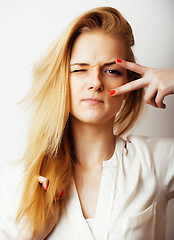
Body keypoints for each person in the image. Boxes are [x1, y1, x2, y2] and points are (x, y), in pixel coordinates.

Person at [0, 6, 174, 240]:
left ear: (128, 87)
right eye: (80, 70)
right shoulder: (16, 181)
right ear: (61, 81)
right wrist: (31, 235)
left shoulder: (157, 161)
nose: (95, 82)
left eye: (111, 71)